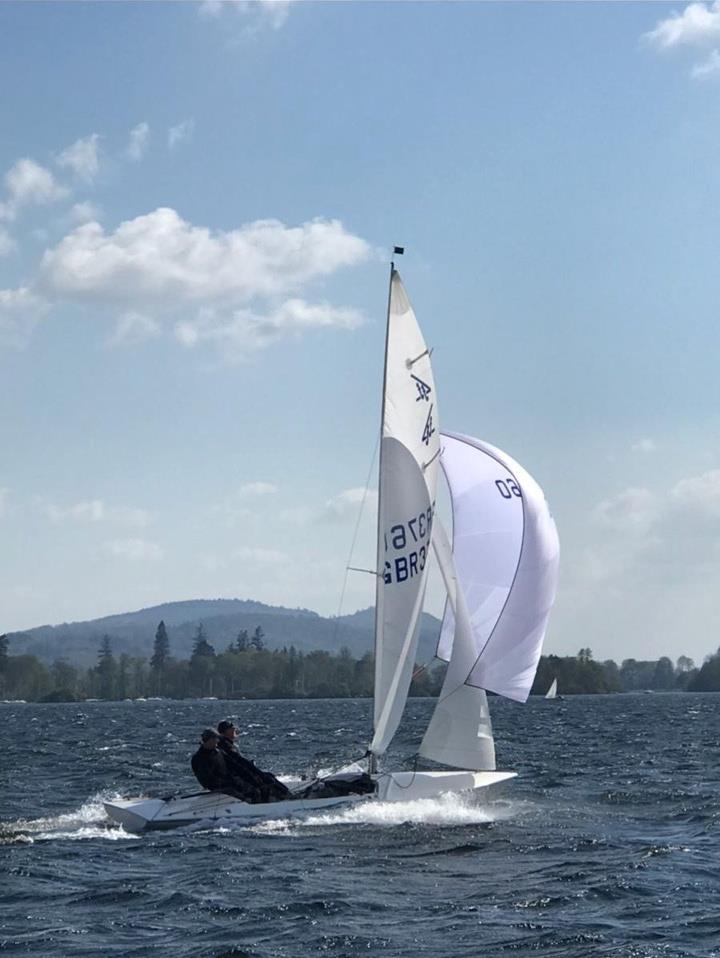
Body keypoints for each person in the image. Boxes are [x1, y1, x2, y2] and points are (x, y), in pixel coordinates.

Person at [216, 719, 291, 802]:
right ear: (223, 733)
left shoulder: (228, 744)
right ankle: (281, 798)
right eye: (230, 729)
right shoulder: (225, 746)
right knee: (265, 780)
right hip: (237, 776)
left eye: (233, 728)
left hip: (240, 773)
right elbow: (239, 762)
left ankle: (284, 795)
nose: (234, 730)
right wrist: (255, 772)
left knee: (269, 776)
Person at [190, 728, 262, 802]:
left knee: (255, 789)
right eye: (216, 739)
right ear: (209, 740)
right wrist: (230, 782)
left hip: (230, 782)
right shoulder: (199, 758)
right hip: (219, 787)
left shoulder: (218, 752)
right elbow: (207, 780)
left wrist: (250, 776)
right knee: (245, 795)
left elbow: (234, 765)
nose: (218, 741)